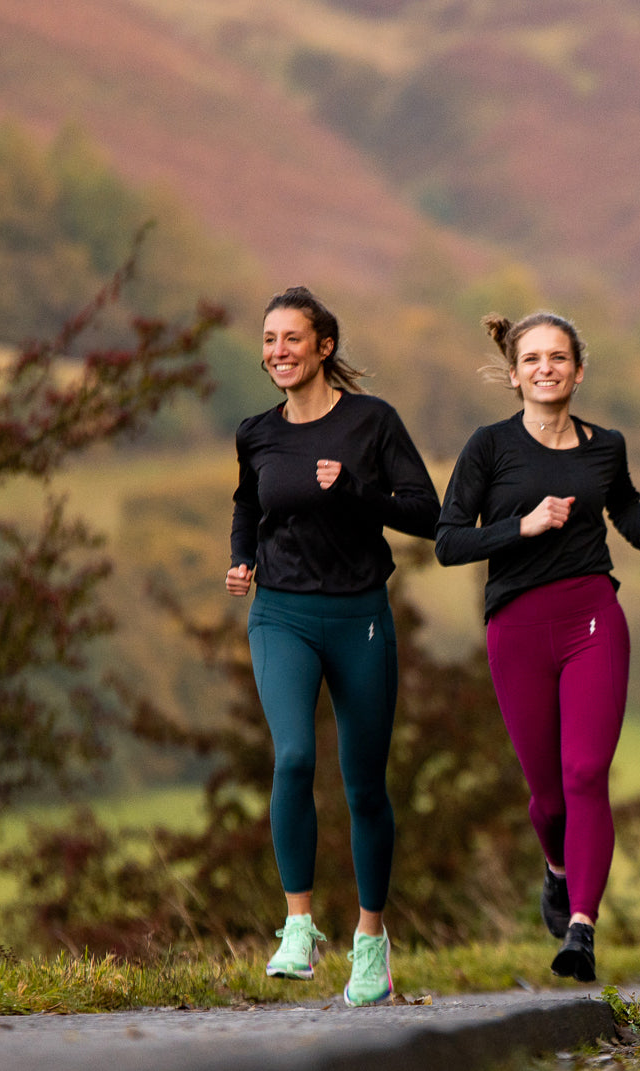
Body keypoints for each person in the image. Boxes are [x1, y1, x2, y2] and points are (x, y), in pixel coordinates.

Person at [435, 311, 640, 982]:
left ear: (577, 369)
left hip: (592, 617)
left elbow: (622, 502)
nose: (546, 367)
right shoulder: (487, 447)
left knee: (586, 774)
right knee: (547, 795)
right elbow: (449, 540)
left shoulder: (606, 444)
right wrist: (523, 524)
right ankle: (558, 867)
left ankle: (581, 927)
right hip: (516, 628)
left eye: (558, 357)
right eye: (532, 358)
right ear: (514, 375)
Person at [226, 286, 440, 1006]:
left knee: (364, 786)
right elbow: (247, 502)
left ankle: (371, 940)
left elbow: (425, 513)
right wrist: (241, 559)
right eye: (268, 340)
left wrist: (353, 490)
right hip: (280, 613)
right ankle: (297, 925)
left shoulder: (371, 423)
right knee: (291, 755)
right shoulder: (256, 431)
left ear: (324, 347)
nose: (277, 351)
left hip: (360, 617)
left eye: (291, 338)